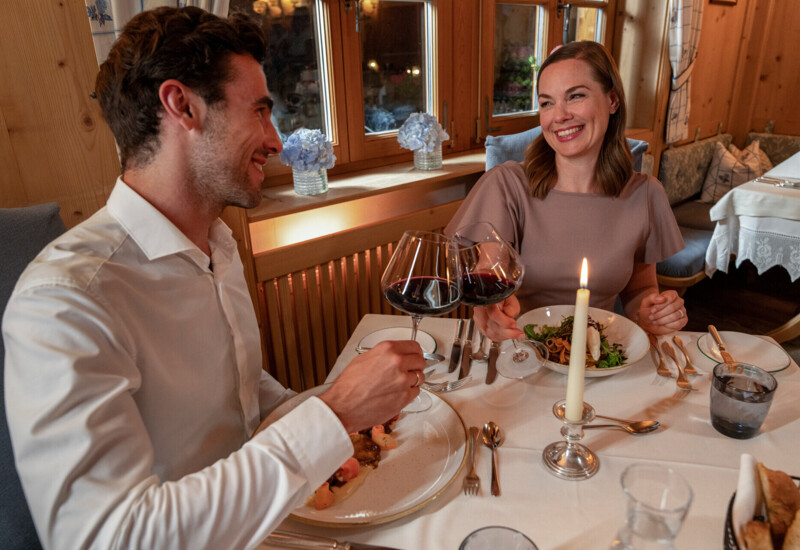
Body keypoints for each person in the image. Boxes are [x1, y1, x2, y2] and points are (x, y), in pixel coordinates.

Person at [1, 7, 425, 549]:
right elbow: (108, 538)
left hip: (271, 523)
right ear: (182, 106)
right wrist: (333, 410)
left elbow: (241, 401)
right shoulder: (65, 303)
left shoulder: (217, 244)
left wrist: (349, 411)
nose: (275, 142)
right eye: (260, 112)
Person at [445, 41, 688, 342]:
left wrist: (653, 311)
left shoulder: (646, 195)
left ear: (612, 100)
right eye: (547, 102)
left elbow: (639, 291)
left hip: (598, 359)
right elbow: (491, 272)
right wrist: (490, 309)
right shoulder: (506, 185)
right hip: (521, 352)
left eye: (575, 96)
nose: (558, 116)